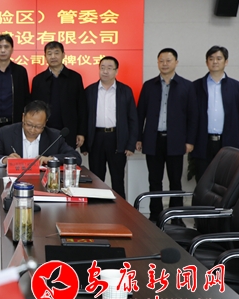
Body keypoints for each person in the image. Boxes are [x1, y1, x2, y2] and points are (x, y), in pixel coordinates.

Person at [136, 48, 198, 222]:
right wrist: (138, 138)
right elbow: (140, 114)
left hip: (176, 141)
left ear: (176, 62)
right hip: (153, 139)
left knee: (175, 181)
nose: (164, 64)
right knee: (154, 180)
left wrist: (190, 141)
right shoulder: (149, 85)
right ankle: (155, 216)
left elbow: (193, 116)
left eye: (168, 60)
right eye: (161, 60)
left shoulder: (187, 86)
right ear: (157, 63)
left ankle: (176, 217)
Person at [83, 56, 138, 199]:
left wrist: (131, 144)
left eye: (109, 68)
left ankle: (121, 210)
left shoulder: (125, 91)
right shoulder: (89, 91)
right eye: (102, 68)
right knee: (96, 179)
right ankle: (96, 209)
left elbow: (133, 119)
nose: (105, 71)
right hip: (96, 138)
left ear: (116, 71)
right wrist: (84, 145)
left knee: (118, 180)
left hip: (117, 138)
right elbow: (83, 118)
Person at [191, 46, 239, 181]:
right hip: (203, 142)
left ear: (226, 62)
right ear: (206, 62)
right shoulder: (196, 86)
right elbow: (190, 116)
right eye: (211, 59)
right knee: (202, 180)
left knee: (225, 182)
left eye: (219, 58)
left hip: (228, 141)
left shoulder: (236, 86)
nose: (215, 62)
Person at [0, 100, 81, 167]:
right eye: (29, 124)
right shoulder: (6, 133)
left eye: (38, 126)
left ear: (45, 122)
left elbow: (76, 158)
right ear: (23, 117)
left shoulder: (55, 136)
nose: (32, 130)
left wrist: (51, 159)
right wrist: (5, 160)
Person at [31, 41, 87, 150]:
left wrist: (81, 132)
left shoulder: (75, 77)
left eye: (56, 53)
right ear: (45, 56)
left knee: (67, 158)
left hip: (69, 130)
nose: (53, 56)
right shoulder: (38, 80)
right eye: (49, 53)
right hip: (44, 130)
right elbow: (34, 108)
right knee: (45, 158)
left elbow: (81, 107)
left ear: (63, 55)